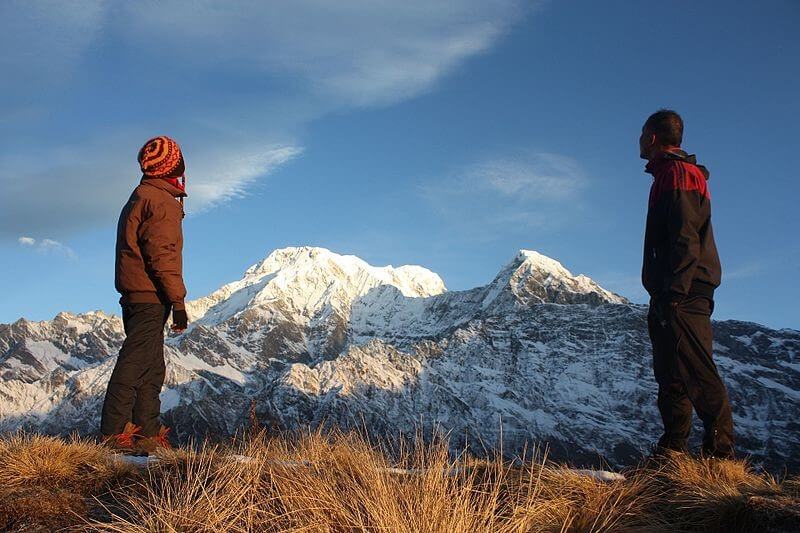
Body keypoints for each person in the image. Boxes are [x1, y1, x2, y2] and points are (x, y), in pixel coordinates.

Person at [639, 109, 735, 459]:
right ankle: (673, 452)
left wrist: (674, 293)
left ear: (652, 137)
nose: (638, 140)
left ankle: (721, 455)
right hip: (673, 289)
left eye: (641, 134)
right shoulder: (669, 174)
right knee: (670, 373)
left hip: (685, 290)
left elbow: (684, 237)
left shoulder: (679, 175)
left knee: (696, 368)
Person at [100, 136, 189, 454]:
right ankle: (114, 433)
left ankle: (145, 432)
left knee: (151, 364)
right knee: (137, 361)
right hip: (150, 294)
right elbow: (161, 255)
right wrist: (177, 302)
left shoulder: (142, 196)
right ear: (173, 167)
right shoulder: (160, 202)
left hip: (139, 293)